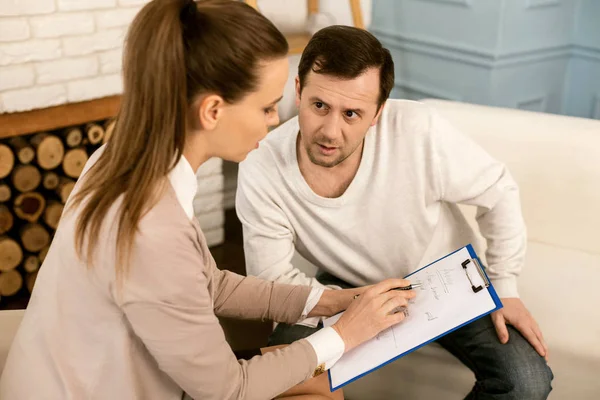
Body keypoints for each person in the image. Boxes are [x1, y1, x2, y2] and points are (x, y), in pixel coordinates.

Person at [0, 2, 417, 399]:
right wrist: (344, 334)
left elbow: (208, 283)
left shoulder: (124, 160)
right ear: (213, 110)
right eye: (268, 107)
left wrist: (334, 300)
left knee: (325, 382)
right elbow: (227, 390)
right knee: (325, 381)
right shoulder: (153, 229)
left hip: (66, 371)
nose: (276, 121)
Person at [236, 25, 554, 399]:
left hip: (445, 277)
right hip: (344, 285)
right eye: (319, 106)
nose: (330, 132)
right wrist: (359, 306)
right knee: (278, 374)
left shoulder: (418, 130)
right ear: (299, 92)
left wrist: (506, 285)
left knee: (527, 382)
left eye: (352, 113)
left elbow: (498, 191)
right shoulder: (261, 164)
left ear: (377, 114)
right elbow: (270, 280)